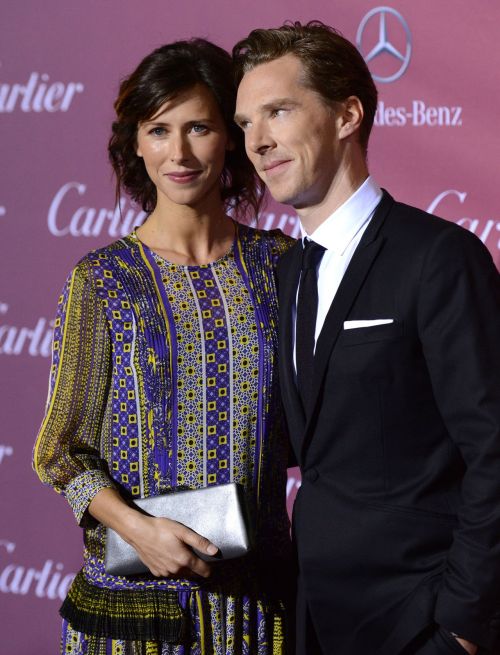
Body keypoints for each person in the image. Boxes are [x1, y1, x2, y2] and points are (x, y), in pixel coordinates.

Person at [233, 20, 500, 655]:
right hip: (316, 621)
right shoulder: (290, 271)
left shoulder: (437, 257)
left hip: (419, 621)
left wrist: (463, 628)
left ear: (348, 114)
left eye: (278, 112)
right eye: (245, 123)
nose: (258, 142)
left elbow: (495, 450)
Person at [33, 39, 295, 655]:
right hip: (134, 616)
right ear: (136, 143)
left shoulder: (282, 268)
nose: (177, 153)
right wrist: (139, 530)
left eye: (198, 127)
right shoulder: (102, 280)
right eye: (158, 130)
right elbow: (58, 453)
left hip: (257, 610)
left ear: (229, 136)